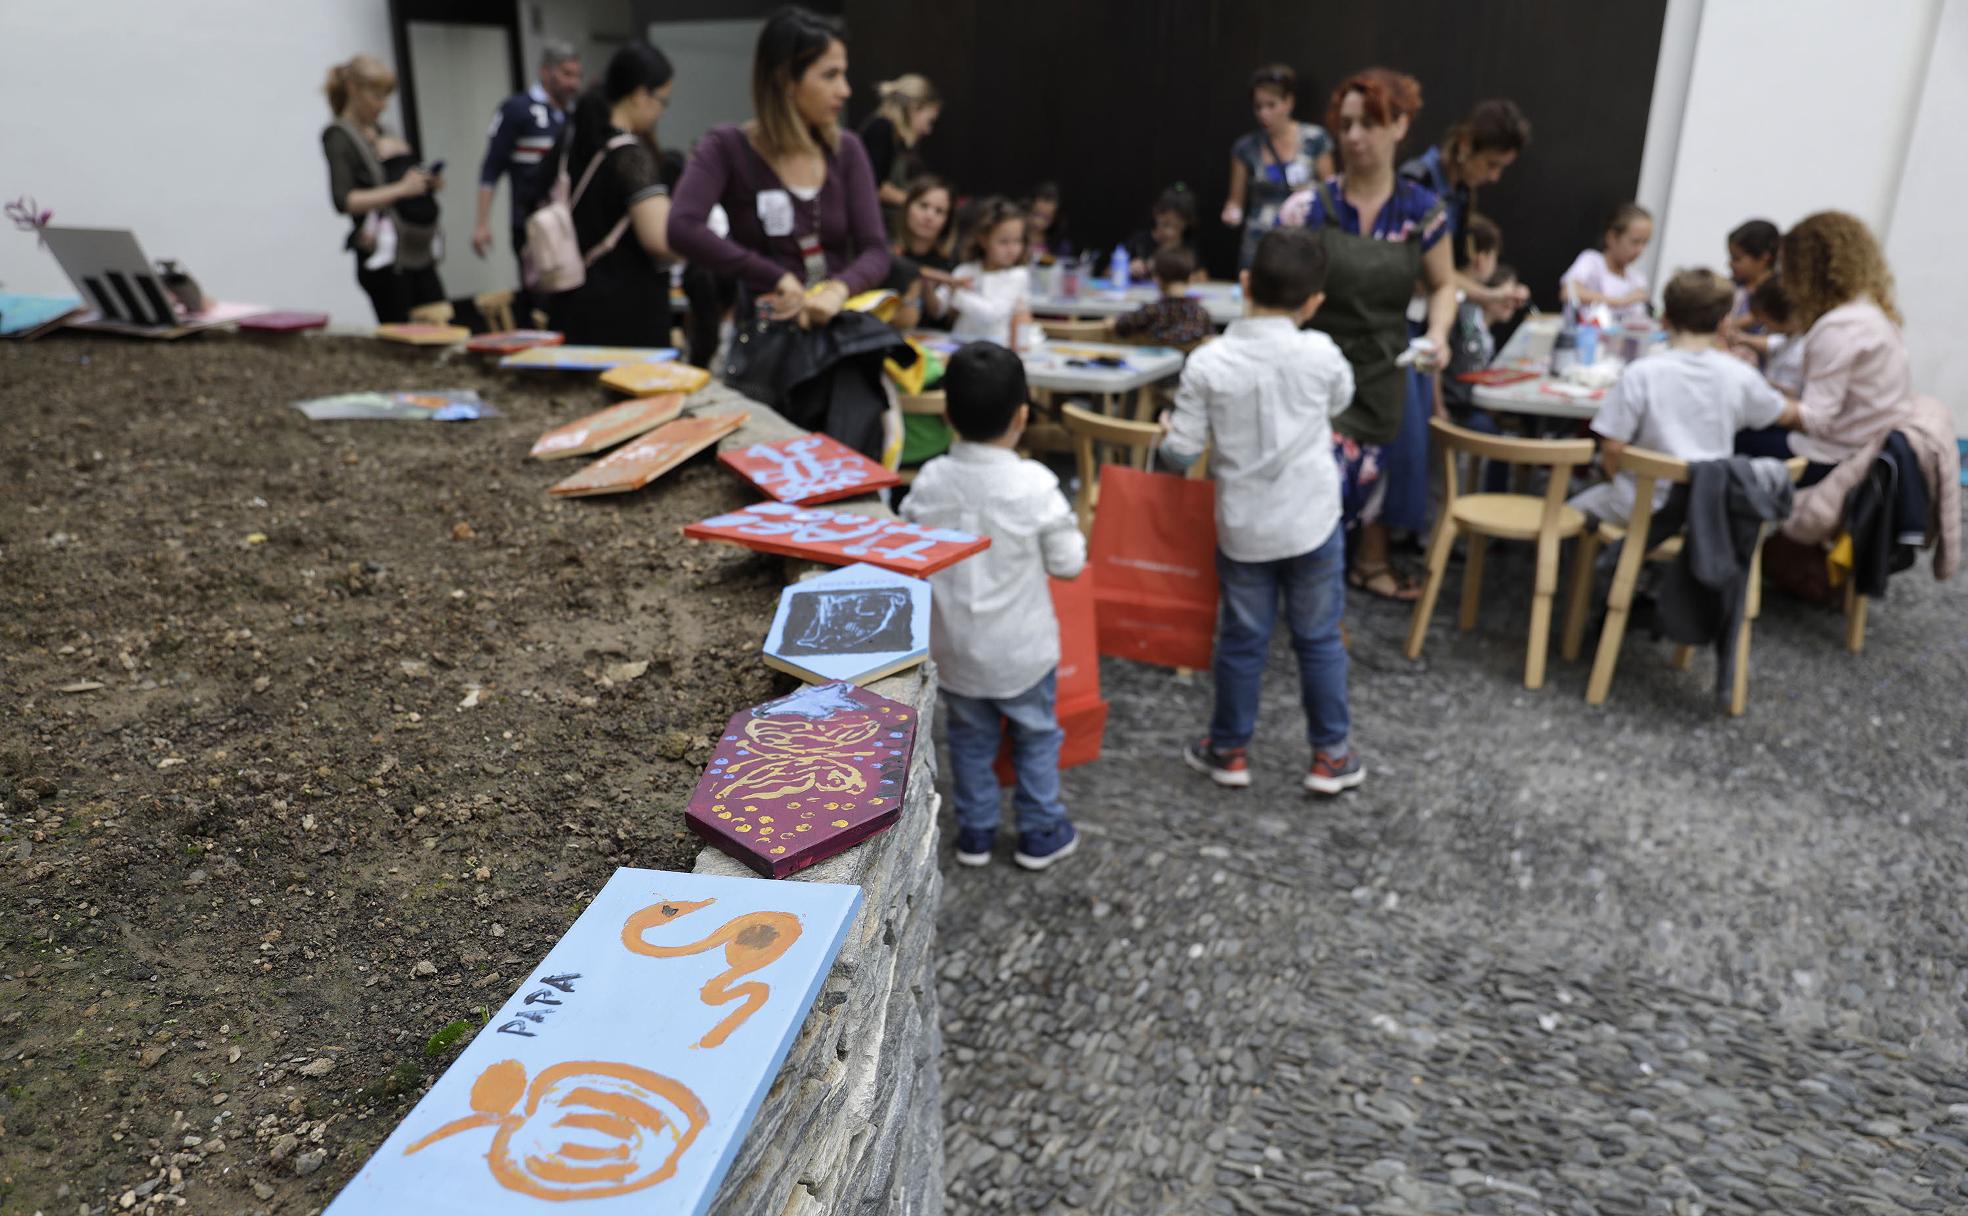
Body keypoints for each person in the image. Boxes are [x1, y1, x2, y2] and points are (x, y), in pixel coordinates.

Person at [1159, 228, 1361, 794]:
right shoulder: (1322, 353)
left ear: (1244, 283)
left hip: (1243, 528)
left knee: (1243, 641)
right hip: (1313, 522)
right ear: (1314, 302)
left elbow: (1179, 454)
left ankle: (1229, 750)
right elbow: (1341, 400)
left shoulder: (1207, 362)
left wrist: (1166, 437)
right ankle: (1331, 757)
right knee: (1319, 638)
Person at [667, 5, 896, 457]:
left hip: (837, 348)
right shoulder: (728, 147)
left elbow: (875, 250)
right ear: (786, 80)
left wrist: (837, 289)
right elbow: (682, 227)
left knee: (847, 473)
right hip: (765, 348)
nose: (844, 91)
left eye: (843, 74)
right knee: (768, 472)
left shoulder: (846, 150)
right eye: (829, 76)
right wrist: (773, 276)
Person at [900, 342, 1086, 870]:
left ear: (947, 414)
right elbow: (1069, 563)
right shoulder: (1035, 485)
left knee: (970, 740)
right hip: (1022, 651)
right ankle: (1041, 829)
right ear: (1022, 415)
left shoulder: (931, 480)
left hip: (954, 648)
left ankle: (976, 834)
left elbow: (909, 545)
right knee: (1036, 737)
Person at [1278, 67, 1456, 603]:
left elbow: (1444, 283)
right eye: (1346, 125)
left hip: (1383, 365)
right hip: (1315, 365)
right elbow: (1277, 294)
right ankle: (1310, 597)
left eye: (1369, 124)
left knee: (1369, 481)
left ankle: (1353, 576)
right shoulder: (1308, 210)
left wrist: (1441, 333)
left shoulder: (1422, 213)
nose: (1354, 138)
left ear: (1400, 126)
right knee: (1314, 482)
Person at [1570, 268, 1785, 527]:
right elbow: (1781, 412)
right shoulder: (1740, 375)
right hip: (1706, 507)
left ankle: (1601, 562)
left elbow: (1612, 450)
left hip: (1638, 504)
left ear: (1665, 320)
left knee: (1569, 513)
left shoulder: (1641, 373)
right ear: (1723, 323)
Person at [1734, 211, 1914, 480]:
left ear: (1807, 272)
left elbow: (1816, 420)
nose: (1782, 281)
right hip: (1867, 447)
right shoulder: (1868, 312)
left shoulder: (1838, 327)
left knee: (1733, 436)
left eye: (1787, 269)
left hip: (1836, 458)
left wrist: (1755, 398)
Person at [541, 42, 678, 347]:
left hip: (571, 300)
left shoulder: (573, 143)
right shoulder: (630, 155)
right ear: (641, 94)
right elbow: (660, 240)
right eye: (662, 101)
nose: (661, 112)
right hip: (626, 311)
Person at [319, 54, 445, 323]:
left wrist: (425, 182)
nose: (383, 105)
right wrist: (402, 189)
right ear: (353, 89)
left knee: (439, 319)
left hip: (415, 247)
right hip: (382, 254)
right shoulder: (338, 136)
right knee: (404, 333)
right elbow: (344, 201)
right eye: (376, 96)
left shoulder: (383, 129)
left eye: (385, 97)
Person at [471, 40, 582, 299]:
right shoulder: (517, 109)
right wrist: (482, 224)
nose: (573, 84)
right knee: (541, 294)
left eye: (577, 76)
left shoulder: (574, 115)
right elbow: (491, 167)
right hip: (531, 222)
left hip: (569, 220)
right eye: (566, 74)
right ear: (545, 71)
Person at [1399, 99, 1533, 311]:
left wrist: (1490, 286)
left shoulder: (1462, 194)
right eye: (1491, 165)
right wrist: (1488, 295)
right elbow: (1422, 272)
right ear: (1465, 145)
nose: (1494, 177)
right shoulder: (1416, 183)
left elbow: (1448, 271)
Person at [1223, 64, 1335, 270]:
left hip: (1303, 238)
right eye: (1258, 106)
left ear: (1288, 102)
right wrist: (1232, 212)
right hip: (1260, 240)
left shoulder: (1314, 139)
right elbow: (1235, 201)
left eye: (1271, 105)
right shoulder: (1246, 147)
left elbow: (1330, 191)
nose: (1263, 113)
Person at [949, 197, 1043, 350]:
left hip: (998, 350)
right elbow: (938, 308)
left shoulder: (1018, 275)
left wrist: (956, 294)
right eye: (1004, 242)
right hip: (961, 344)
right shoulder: (965, 270)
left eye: (1018, 241)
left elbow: (992, 314)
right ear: (984, 239)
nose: (1012, 249)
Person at [856, 73, 939, 219]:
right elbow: (873, 186)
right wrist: (916, 203)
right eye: (929, 121)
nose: (928, 130)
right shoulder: (881, 129)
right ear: (915, 109)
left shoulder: (896, 137)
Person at [1561, 202, 1653, 324]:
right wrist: (1620, 301)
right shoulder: (1591, 262)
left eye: (1645, 243)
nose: (1640, 250)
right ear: (1612, 237)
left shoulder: (1637, 279)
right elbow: (1568, 292)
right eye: (1635, 242)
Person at [885, 174, 955, 330]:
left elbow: (943, 319)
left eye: (939, 211)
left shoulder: (949, 263)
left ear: (947, 221)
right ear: (908, 207)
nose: (929, 216)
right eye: (923, 206)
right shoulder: (883, 251)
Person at [1112, 247, 1211, 346]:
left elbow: (1121, 325)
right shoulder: (1201, 314)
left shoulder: (1151, 311)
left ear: (1157, 279)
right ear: (1190, 277)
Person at [1126, 185, 1206, 282]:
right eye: (1165, 224)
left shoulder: (1188, 246)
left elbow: (1202, 277)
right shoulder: (1139, 242)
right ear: (1156, 214)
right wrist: (1127, 269)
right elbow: (1108, 273)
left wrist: (1178, 277)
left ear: (1187, 224)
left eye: (1177, 226)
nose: (1169, 232)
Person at [1742, 275, 1804, 395]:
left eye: (1765, 320)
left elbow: (1797, 394)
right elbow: (1772, 343)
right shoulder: (1787, 338)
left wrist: (1756, 381)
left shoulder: (1802, 347)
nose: (1763, 325)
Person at [1723, 217, 1779, 327]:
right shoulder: (1730, 289)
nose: (1730, 264)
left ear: (1764, 257)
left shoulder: (1781, 292)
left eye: (1737, 259)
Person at [1024, 181, 1063, 261]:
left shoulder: (1060, 244)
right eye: (1036, 214)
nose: (1039, 221)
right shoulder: (1018, 237)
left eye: (1046, 217)